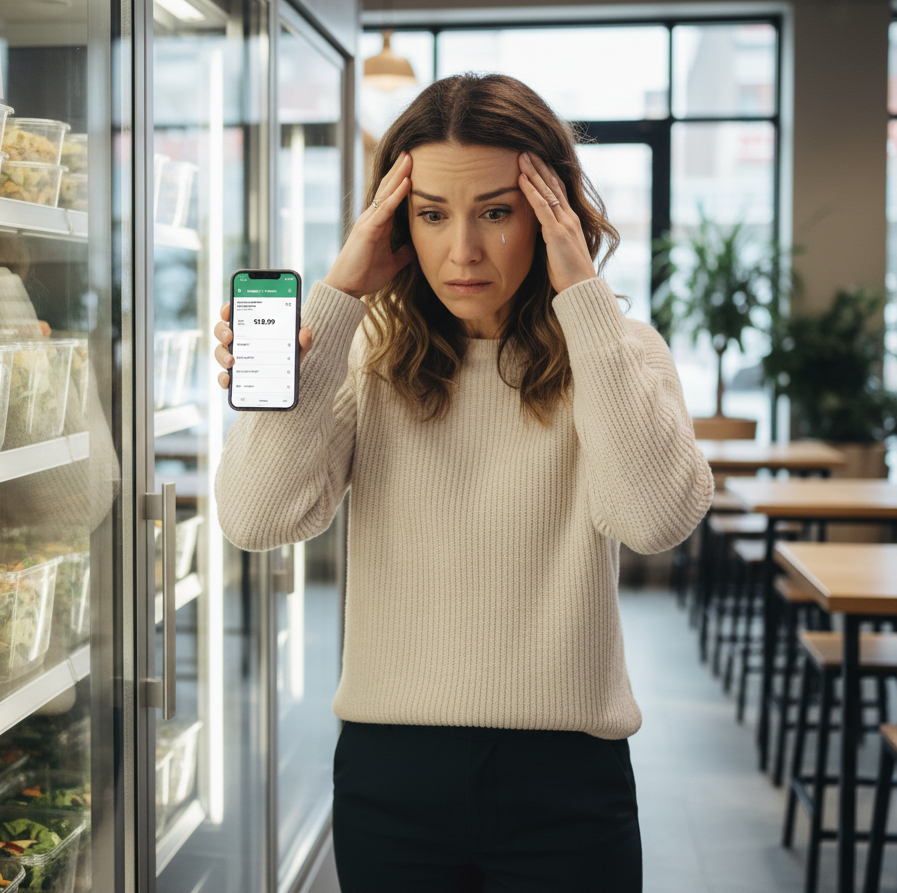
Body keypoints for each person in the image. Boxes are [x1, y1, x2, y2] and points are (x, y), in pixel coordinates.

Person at [214, 73, 713, 892]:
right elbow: (258, 516)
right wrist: (338, 298)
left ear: (552, 216)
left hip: (568, 781)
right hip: (391, 778)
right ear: (397, 223)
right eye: (432, 214)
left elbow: (653, 519)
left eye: (496, 211)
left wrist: (582, 296)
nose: (464, 252)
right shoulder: (364, 354)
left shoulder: (619, 351)